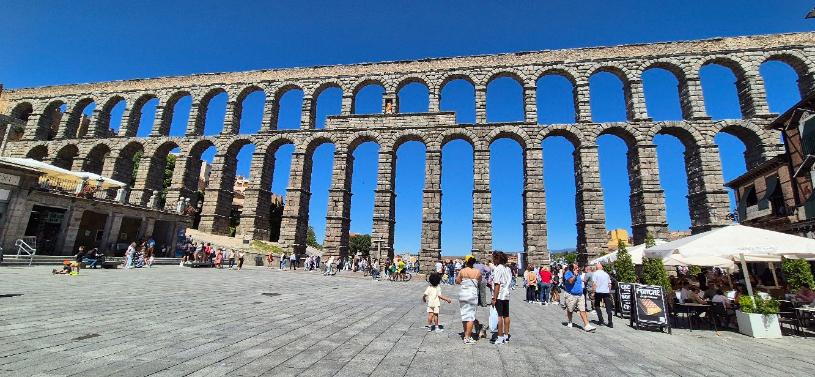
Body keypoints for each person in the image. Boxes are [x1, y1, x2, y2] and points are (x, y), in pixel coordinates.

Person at [563, 262, 596, 332]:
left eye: (578, 267)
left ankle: (587, 325)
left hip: (580, 295)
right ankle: (570, 321)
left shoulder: (578, 274)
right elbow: (570, 281)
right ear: (572, 268)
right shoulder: (568, 273)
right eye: (576, 267)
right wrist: (575, 275)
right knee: (570, 310)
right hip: (571, 295)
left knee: (582, 310)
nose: (578, 269)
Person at [456, 255, 481, 345]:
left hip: (463, 295)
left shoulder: (462, 271)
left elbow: (457, 281)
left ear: (466, 262)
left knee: (464, 315)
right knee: (471, 316)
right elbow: (479, 281)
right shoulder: (477, 271)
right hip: (472, 295)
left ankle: (466, 334)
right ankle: (467, 337)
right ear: (474, 262)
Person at [491, 252, 513, 344]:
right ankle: (506, 336)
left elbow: (497, 284)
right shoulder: (507, 269)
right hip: (506, 294)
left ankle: (500, 338)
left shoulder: (497, 269)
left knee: (498, 316)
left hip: (499, 295)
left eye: (493, 258)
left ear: (497, 259)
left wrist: (494, 298)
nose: (492, 260)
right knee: (506, 315)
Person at [592, 263, 613, 328]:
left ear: (596, 268)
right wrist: (609, 291)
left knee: (597, 305)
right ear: (602, 268)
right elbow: (609, 284)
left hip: (598, 292)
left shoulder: (595, 274)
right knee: (608, 308)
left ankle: (601, 320)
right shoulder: (606, 274)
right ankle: (610, 322)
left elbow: (594, 284)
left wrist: (593, 292)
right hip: (606, 292)